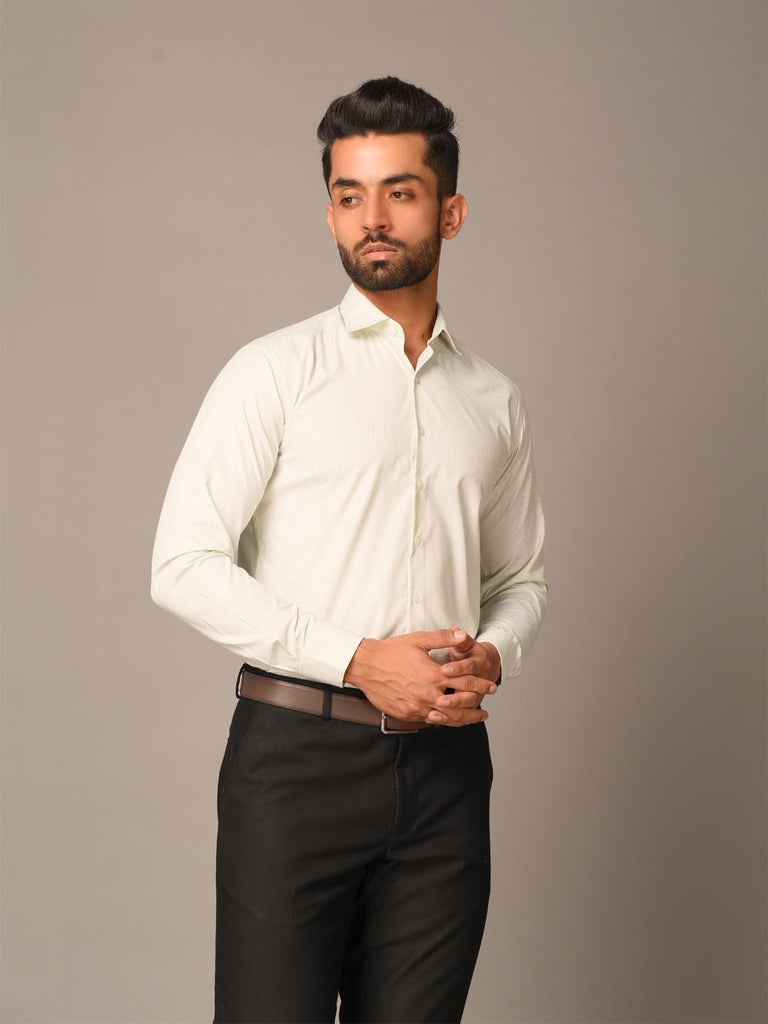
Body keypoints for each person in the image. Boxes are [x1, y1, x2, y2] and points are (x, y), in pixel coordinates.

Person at [151, 75, 547, 1024]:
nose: (371, 218)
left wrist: (496, 652)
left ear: (450, 213)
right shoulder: (273, 373)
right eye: (348, 194)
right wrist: (362, 661)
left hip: (448, 774)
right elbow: (182, 565)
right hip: (295, 767)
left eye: (400, 192)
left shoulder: (492, 399)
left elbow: (520, 579)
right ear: (329, 212)